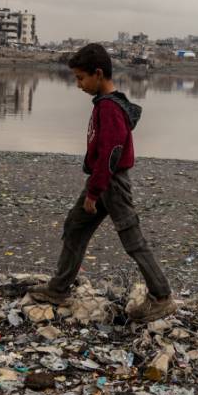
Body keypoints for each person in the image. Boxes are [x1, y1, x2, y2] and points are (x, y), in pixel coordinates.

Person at [30, 43, 176, 322]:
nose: (78, 84)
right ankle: (58, 288)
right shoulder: (107, 103)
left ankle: (162, 297)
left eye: (81, 78)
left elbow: (112, 152)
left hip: (111, 183)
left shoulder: (109, 108)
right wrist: (95, 186)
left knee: (132, 240)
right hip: (101, 178)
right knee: (75, 227)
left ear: (98, 74)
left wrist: (95, 191)